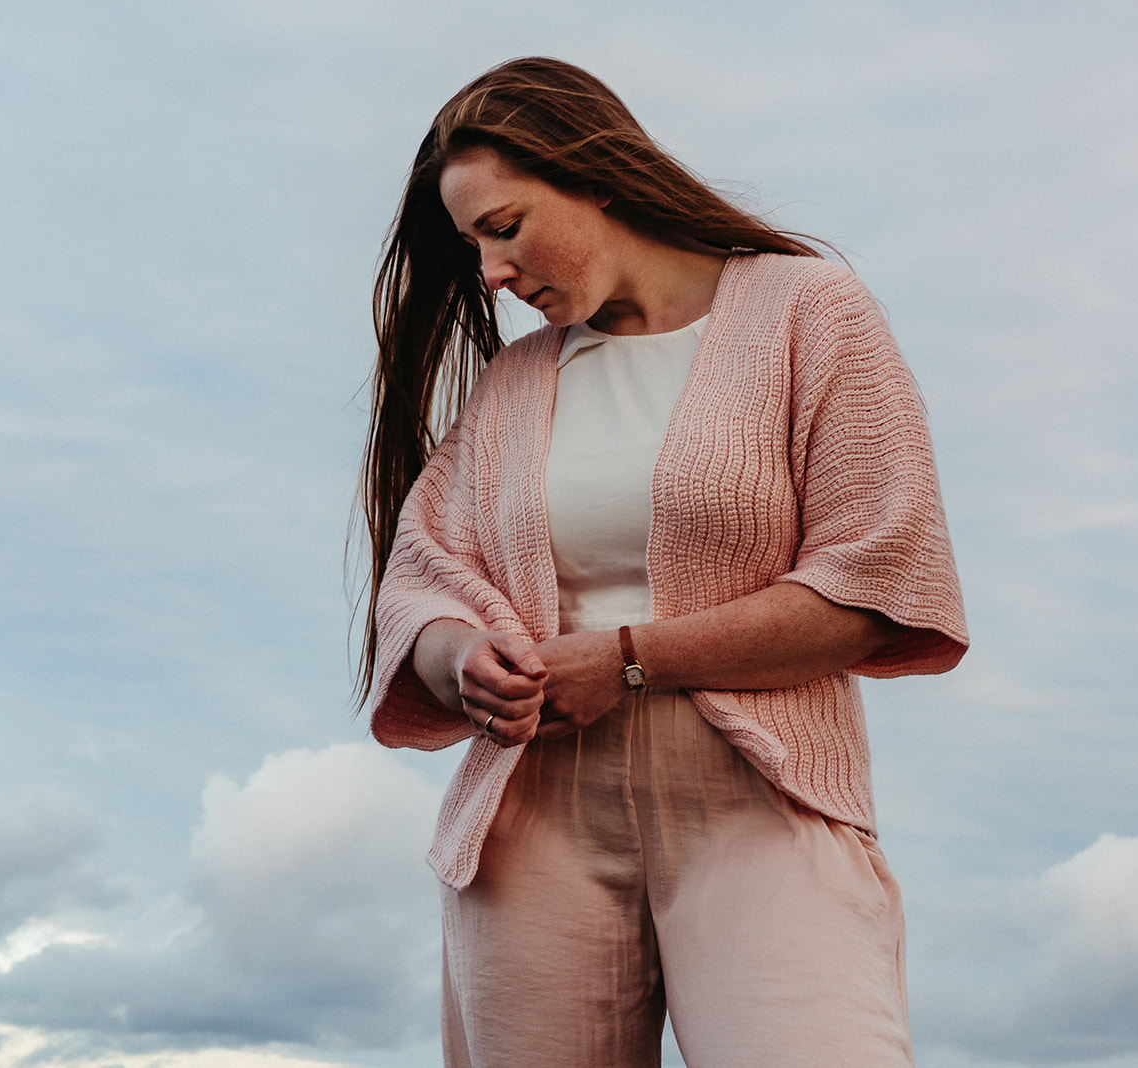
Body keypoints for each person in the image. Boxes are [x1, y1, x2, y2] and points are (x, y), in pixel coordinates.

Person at [356, 56, 968, 1068]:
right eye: (474, 249)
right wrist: (458, 658)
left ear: (592, 171)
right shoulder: (514, 384)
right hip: (533, 816)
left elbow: (874, 583)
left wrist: (631, 658)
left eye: (503, 227)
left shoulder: (810, 311)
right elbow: (420, 579)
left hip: (760, 800)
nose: (494, 275)